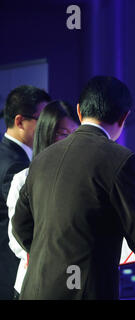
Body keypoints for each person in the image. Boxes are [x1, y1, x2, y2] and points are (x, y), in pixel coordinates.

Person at [12, 76, 135, 299]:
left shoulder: (41, 159)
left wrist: (48, 256)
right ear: (124, 117)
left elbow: (20, 224)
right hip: (83, 290)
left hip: (35, 288)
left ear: (79, 111)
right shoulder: (120, 159)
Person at [7, 100, 79, 298]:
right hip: (35, 281)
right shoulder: (24, 179)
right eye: (64, 134)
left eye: (76, 135)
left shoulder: (82, 178)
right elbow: (16, 239)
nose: (71, 142)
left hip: (75, 282)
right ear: (47, 134)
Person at [0, 85, 50, 299]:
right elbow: (25, 221)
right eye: (43, 120)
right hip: (10, 272)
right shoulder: (15, 166)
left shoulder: (7, 155)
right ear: (20, 121)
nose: (48, 127)